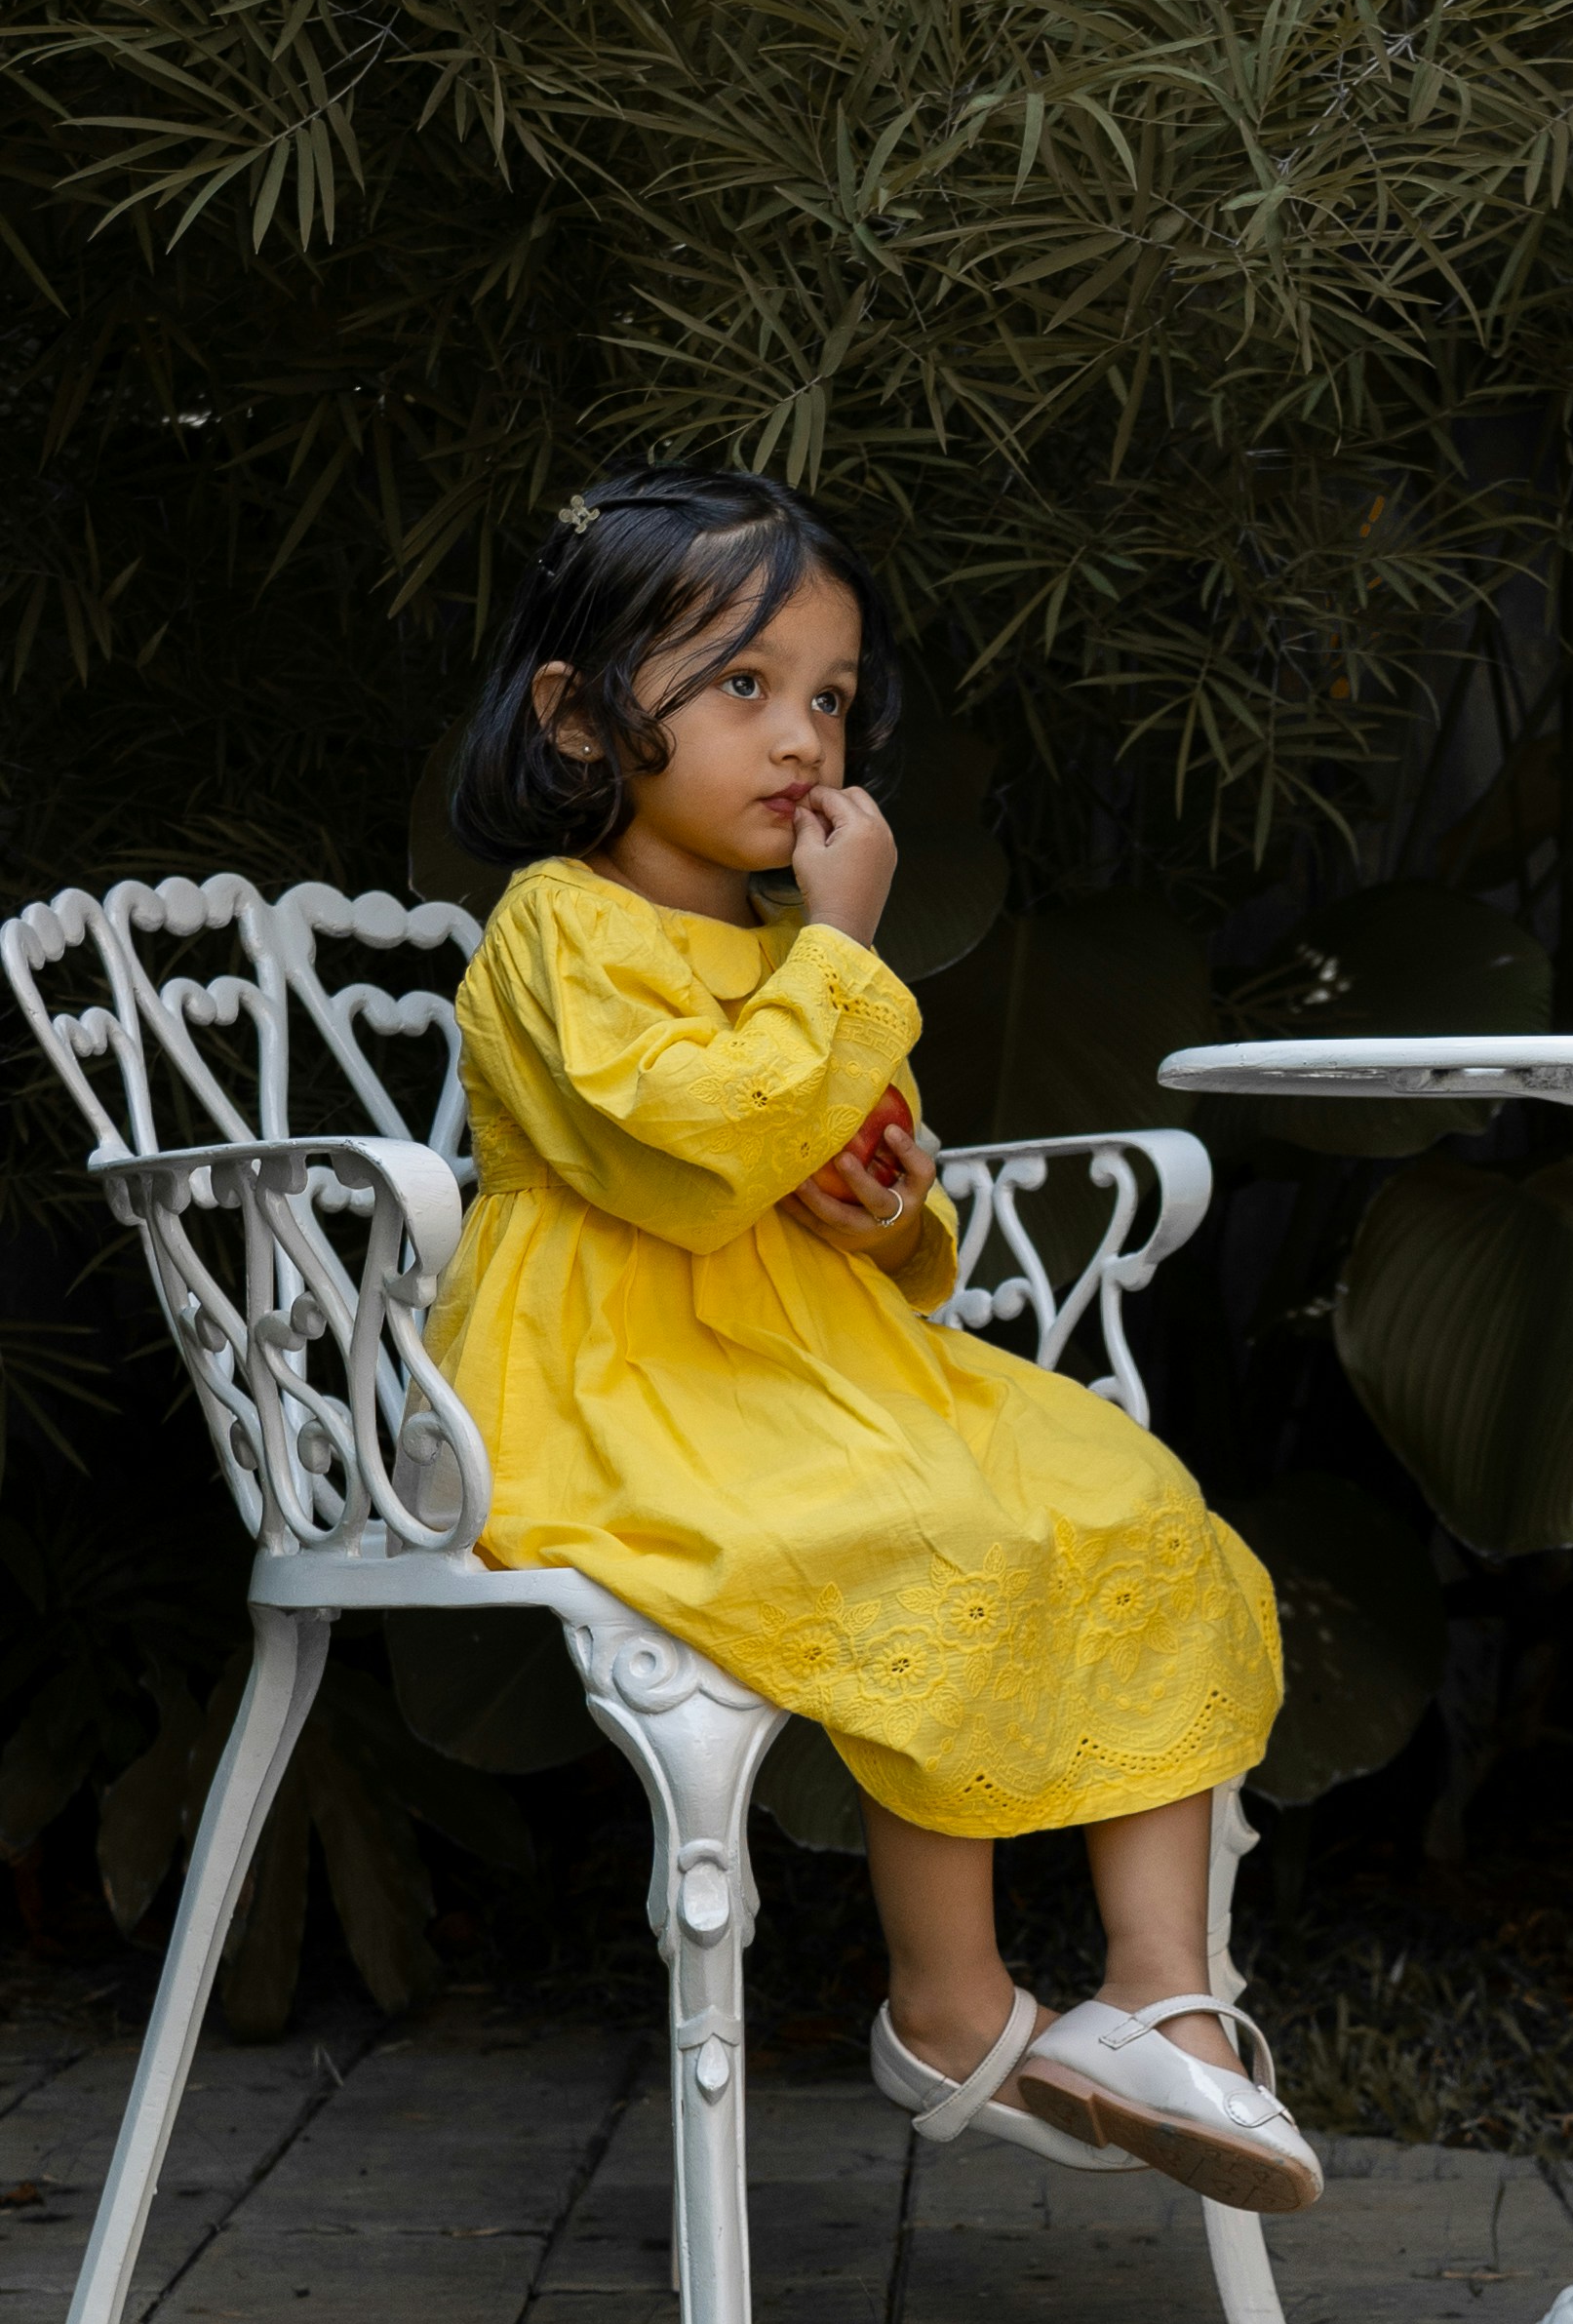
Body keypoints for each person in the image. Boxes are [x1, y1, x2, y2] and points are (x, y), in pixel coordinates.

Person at [431, 463, 1318, 2213]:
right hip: (625, 1382)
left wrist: (888, 1208)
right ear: (580, 717)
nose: (800, 742)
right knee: (938, 1542)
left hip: (815, 1358)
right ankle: (951, 1999)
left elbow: (870, 1191)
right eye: (742, 687)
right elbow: (687, 1163)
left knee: (1130, 1500)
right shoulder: (561, 926)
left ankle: (1162, 2001)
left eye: (828, 698)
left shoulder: (787, 946)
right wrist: (843, 946)